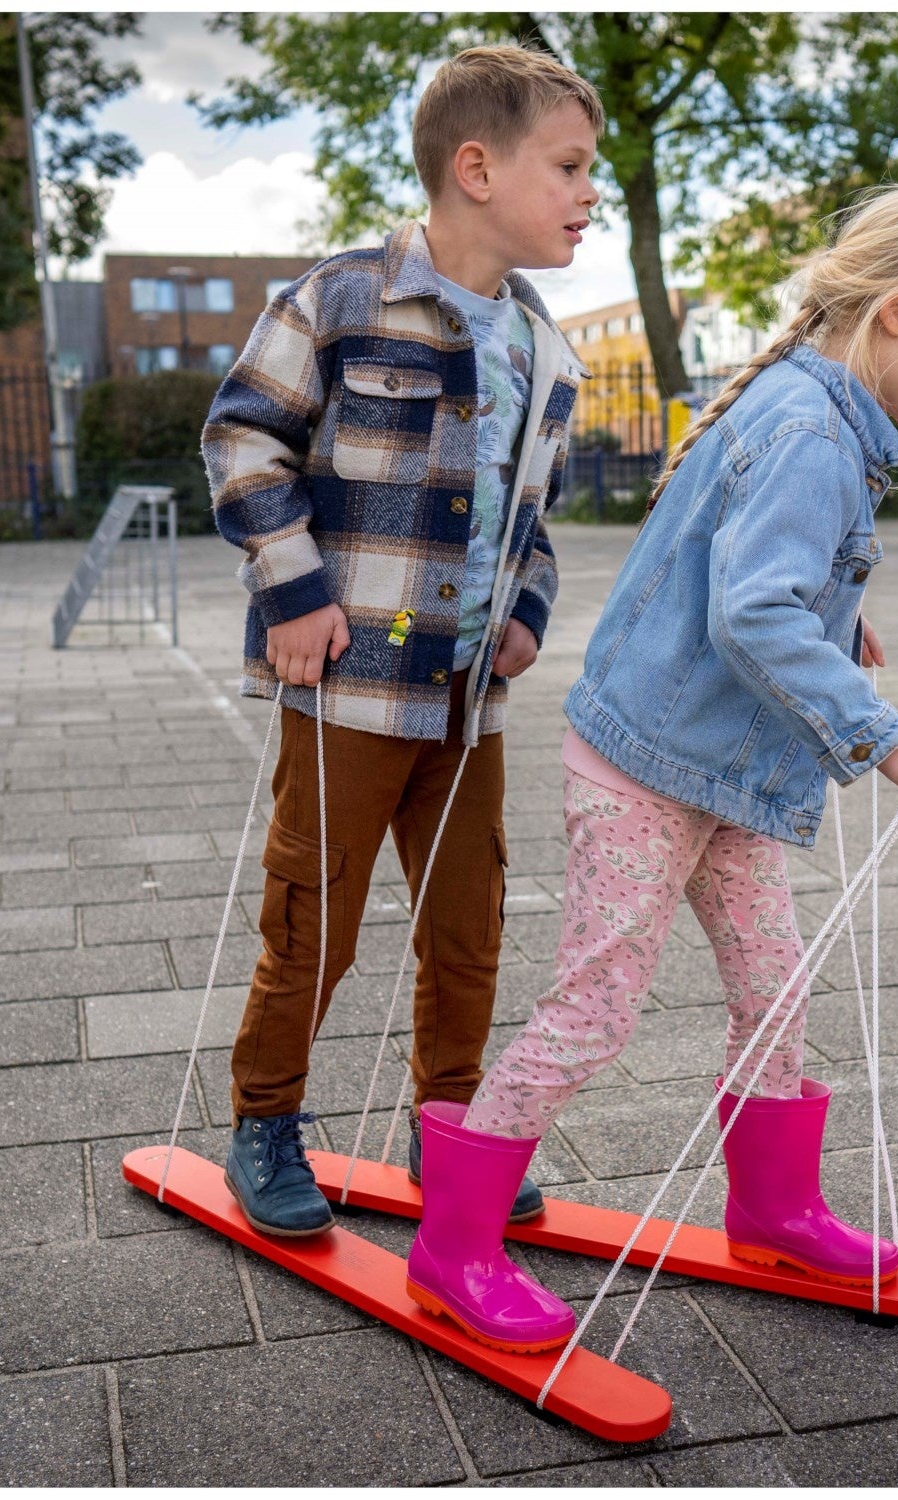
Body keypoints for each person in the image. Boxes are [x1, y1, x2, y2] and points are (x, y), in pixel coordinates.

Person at [403, 184, 898, 1352]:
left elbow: (746, 580)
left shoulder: (820, 412)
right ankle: (453, 1243)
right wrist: (884, 731)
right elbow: (754, 615)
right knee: (595, 1008)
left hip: (722, 767)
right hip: (652, 770)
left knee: (775, 988)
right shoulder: (811, 430)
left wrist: (835, 628)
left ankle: (773, 1206)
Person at [201, 44, 603, 1238]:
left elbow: (532, 523)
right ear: (476, 168)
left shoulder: (547, 349)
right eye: (571, 167)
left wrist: (526, 614)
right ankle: (266, 1122)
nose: (592, 195)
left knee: (467, 924)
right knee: (309, 919)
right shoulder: (339, 298)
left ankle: (453, 1132)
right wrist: (294, 592)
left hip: (467, 704)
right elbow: (242, 445)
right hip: (347, 695)